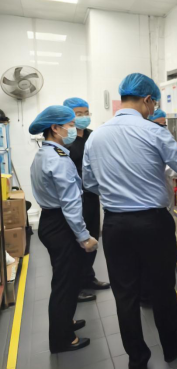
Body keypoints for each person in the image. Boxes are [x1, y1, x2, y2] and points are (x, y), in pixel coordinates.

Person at [83, 73, 177, 369]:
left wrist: (116, 192)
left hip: (115, 225)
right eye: (154, 104)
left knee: (125, 294)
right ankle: (171, 346)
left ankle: (137, 358)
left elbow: (89, 183)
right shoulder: (154, 132)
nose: (153, 110)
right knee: (163, 287)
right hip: (153, 224)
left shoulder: (96, 136)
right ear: (148, 100)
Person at [29, 106, 99, 354]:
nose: (73, 129)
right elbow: (70, 203)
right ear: (55, 128)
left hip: (51, 220)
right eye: (70, 125)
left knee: (65, 279)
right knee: (65, 284)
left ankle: (65, 321)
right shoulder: (58, 159)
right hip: (61, 224)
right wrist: (84, 237)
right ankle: (62, 339)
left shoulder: (44, 153)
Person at [63, 97, 110, 302]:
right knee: (77, 242)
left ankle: (88, 277)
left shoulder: (92, 136)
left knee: (92, 236)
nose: (84, 117)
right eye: (78, 114)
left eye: (86, 112)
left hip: (92, 195)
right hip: (74, 197)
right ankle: (75, 287)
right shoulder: (66, 139)